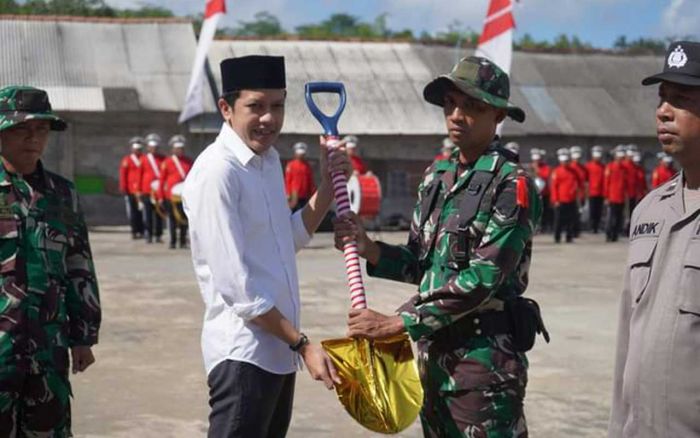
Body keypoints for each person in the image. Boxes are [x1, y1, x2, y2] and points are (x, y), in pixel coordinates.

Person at [334, 56, 543, 437]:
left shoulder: (511, 184)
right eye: (450, 104)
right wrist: (369, 248)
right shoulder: (437, 177)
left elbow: (484, 277)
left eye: (473, 107)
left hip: (484, 368)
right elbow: (421, 262)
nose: (457, 115)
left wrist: (400, 323)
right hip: (433, 362)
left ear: (498, 115)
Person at [182, 55, 349, 437]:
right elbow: (240, 291)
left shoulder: (268, 161)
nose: (269, 118)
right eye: (255, 106)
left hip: (277, 354)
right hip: (243, 355)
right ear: (226, 108)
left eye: (277, 105)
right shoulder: (217, 173)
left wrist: (327, 184)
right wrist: (303, 344)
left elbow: (286, 240)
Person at [610, 40, 700, 438]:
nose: (663, 111)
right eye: (662, 98)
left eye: (680, 99)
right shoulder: (650, 209)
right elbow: (628, 338)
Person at [0, 85, 101, 436]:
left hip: (48, 348)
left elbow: (79, 265)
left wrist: (83, 335)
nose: (33, 139)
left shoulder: (62, 194)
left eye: (41, 130)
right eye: (21, 129)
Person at [158, 135, 192, 249]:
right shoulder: (167, 162)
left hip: (184, 195)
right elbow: (162, 181)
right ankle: (172, 241)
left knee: (184, 219)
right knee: (172, 219)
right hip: (170, 196)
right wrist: (161, 197)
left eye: (181, 148)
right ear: (172, 149)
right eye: (177, 148)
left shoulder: (188, 162)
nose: (179, 150)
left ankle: (182, 241)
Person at [551, 148, 581, 243]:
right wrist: (555, 200)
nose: (565, 163)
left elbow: (579, 183)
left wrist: (577, 194)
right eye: (563, 161)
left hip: (571, 200)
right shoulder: (557, 171)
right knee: (558, 220)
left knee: (570, 220)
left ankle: (569, 237)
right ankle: (557, 237)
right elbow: (554, 187)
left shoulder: (573, 171)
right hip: (560, 200)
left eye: (566, 161)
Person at [140, 133, 165, 243]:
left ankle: (158, 235)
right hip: (147, 191)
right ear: (148, 147)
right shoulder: (144, 159)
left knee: (159, 213)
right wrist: (138, 191)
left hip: (159, 191)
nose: (153, 149)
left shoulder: (163, 159)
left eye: (155, 147)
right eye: (151, 147)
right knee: (148, 214)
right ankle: (149, 234)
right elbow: (139, 175)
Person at [119, 136, 145, 239]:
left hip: (142, 190)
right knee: (133, 211)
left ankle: (142, 230)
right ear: (132, 149)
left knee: (142, 212)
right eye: (135, 148)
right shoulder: (127, 160)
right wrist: (123, 187)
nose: (137, 150)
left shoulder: (144, 158)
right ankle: (134, 231)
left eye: (139, 149)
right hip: (131, 190)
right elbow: (123, 174)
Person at [284, 142, 316, 212]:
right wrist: (287, 193)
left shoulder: (307, 166)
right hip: (294, 194)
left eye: (302, 153)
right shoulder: (291, 165)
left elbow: (310, 180)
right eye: (299, 153)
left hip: (305, 194)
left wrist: (312, 193)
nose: (301, 155)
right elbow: (287, 180)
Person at [530, 148, 553, 232]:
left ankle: (544, 226)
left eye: (538, 159)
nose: (536, 161)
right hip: (534, 193)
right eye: (535, 160)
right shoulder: (530, 167)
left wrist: (537, 169)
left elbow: (545, 176)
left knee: (544, 211)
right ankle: (535, 226)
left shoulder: (545, 167)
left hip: (544, 193)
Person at [586, 145, 606, 233]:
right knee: (592, 211)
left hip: (601, 192)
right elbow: (586, 180)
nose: (597, 158)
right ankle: (592, 227)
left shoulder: (603, 167)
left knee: (599, 211)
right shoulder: (588, 166)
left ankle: (596, 227)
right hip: (592, 192)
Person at [569, 145, 588, 236]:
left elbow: (585, 182)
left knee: (579, 213)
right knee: (572, 213)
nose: (577, 159)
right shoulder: (570, 168)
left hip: (581, 194)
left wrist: (585, 193)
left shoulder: (583, 169)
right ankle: (572, 230)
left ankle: (577, 230)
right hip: (572, 195)